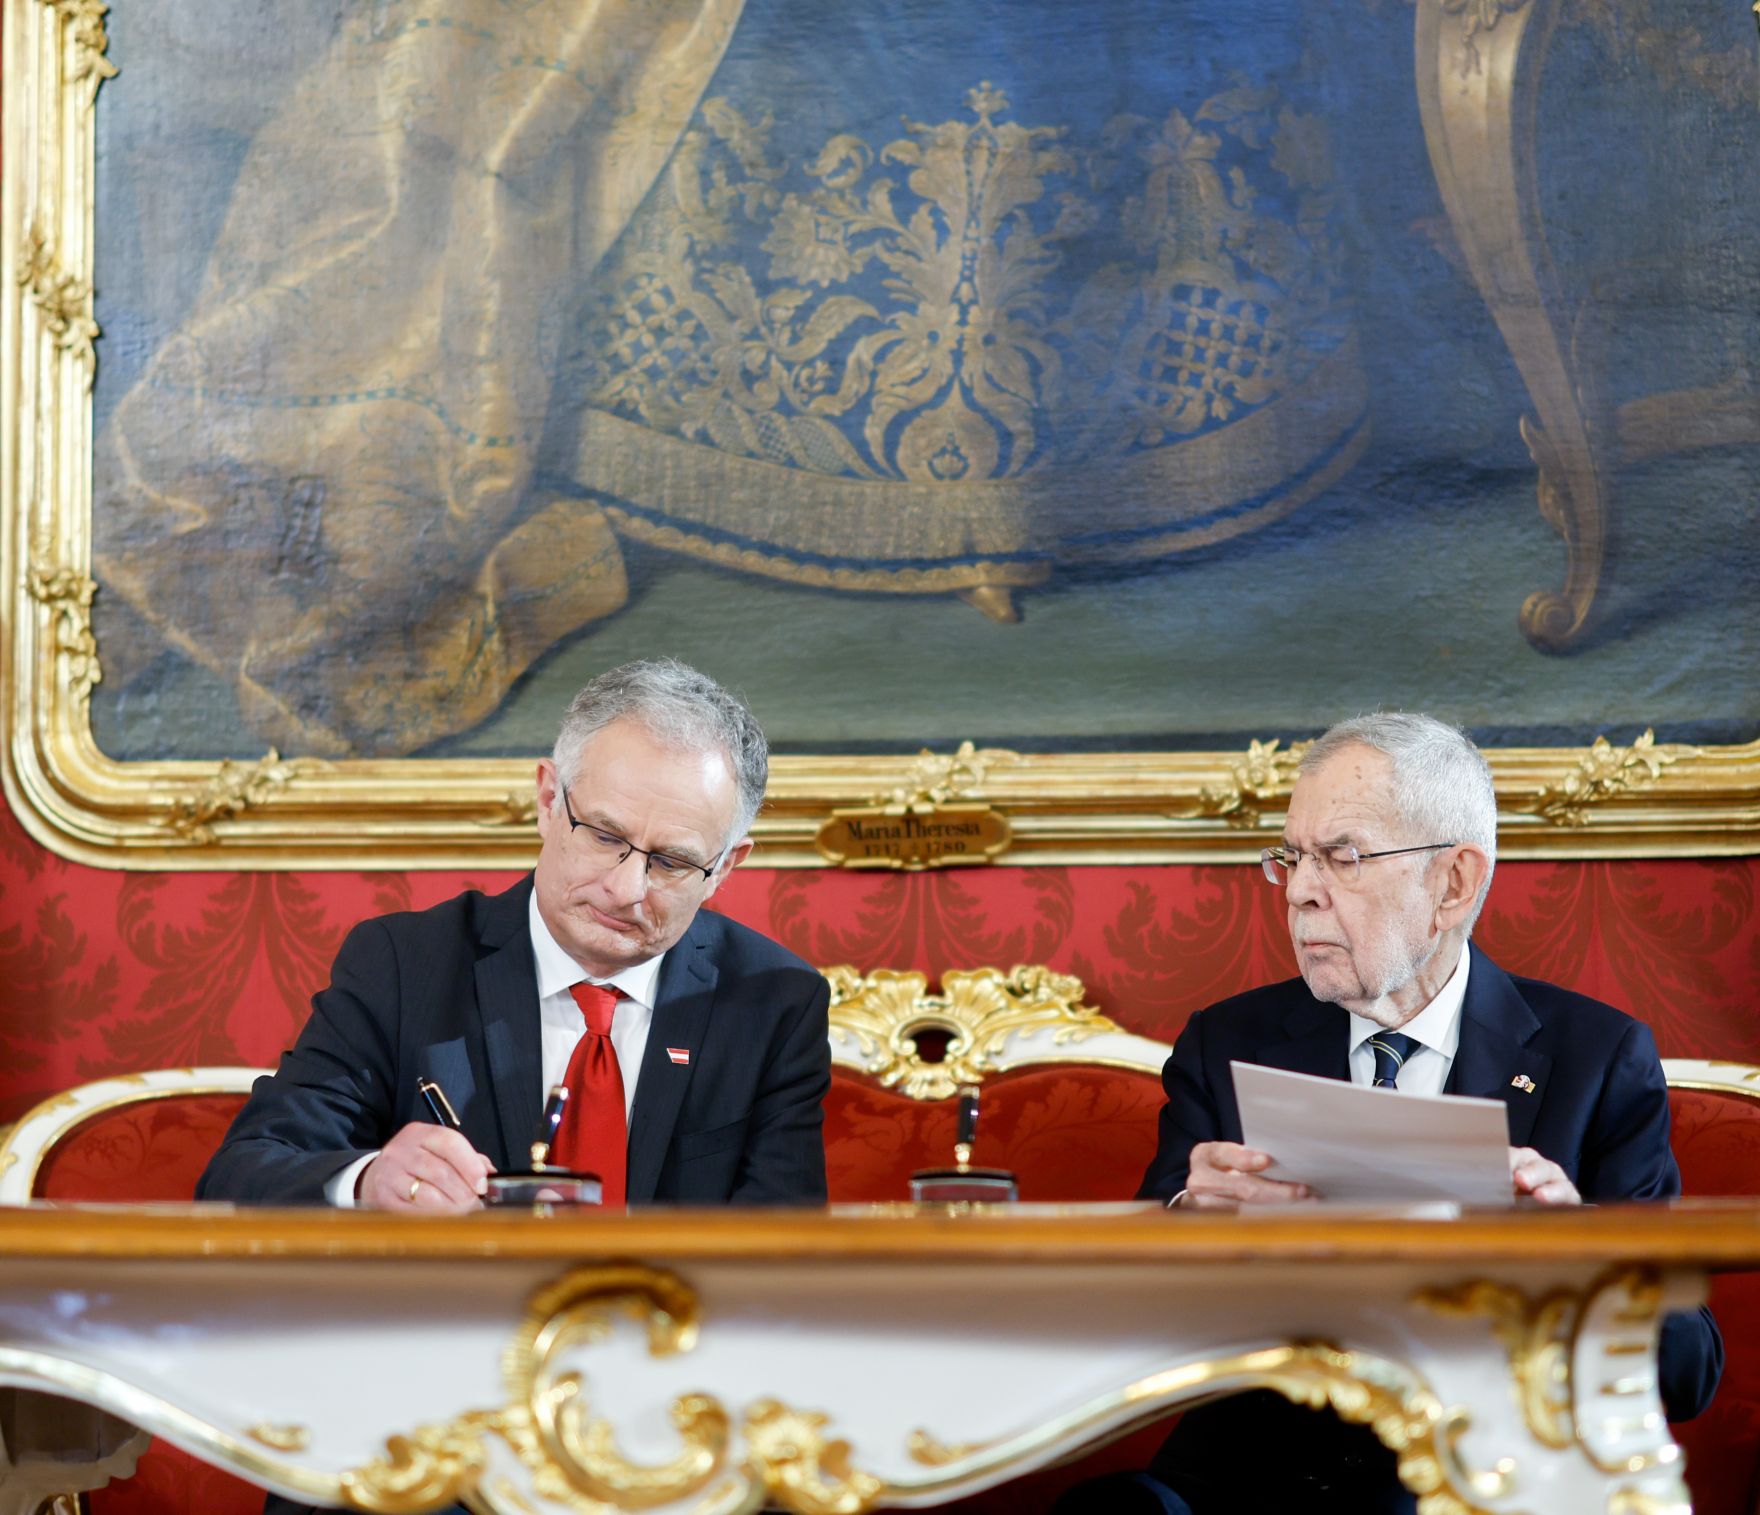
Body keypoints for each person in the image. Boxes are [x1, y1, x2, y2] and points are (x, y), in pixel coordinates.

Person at [1071, 713, 1722, 1515]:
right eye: (1292, 857)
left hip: (1483, 1481)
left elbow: (1688, 1372)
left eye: (1341, 857)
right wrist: (1183, 1221)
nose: (1303, 889)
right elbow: (1118, 1332)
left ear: (1453, 883)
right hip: (1248, 1484)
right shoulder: (1226, 1041)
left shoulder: (1597, 1059)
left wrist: (1579, 1254)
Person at [198, 658, 830, 1212]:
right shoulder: (402, 966)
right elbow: (242, 1173)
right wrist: (366, 1182)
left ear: (726, 866)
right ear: (549, 800)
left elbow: (788, 1255)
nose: (626, 888)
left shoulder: (774, 1003)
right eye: (606, 837)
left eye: (671, 862)